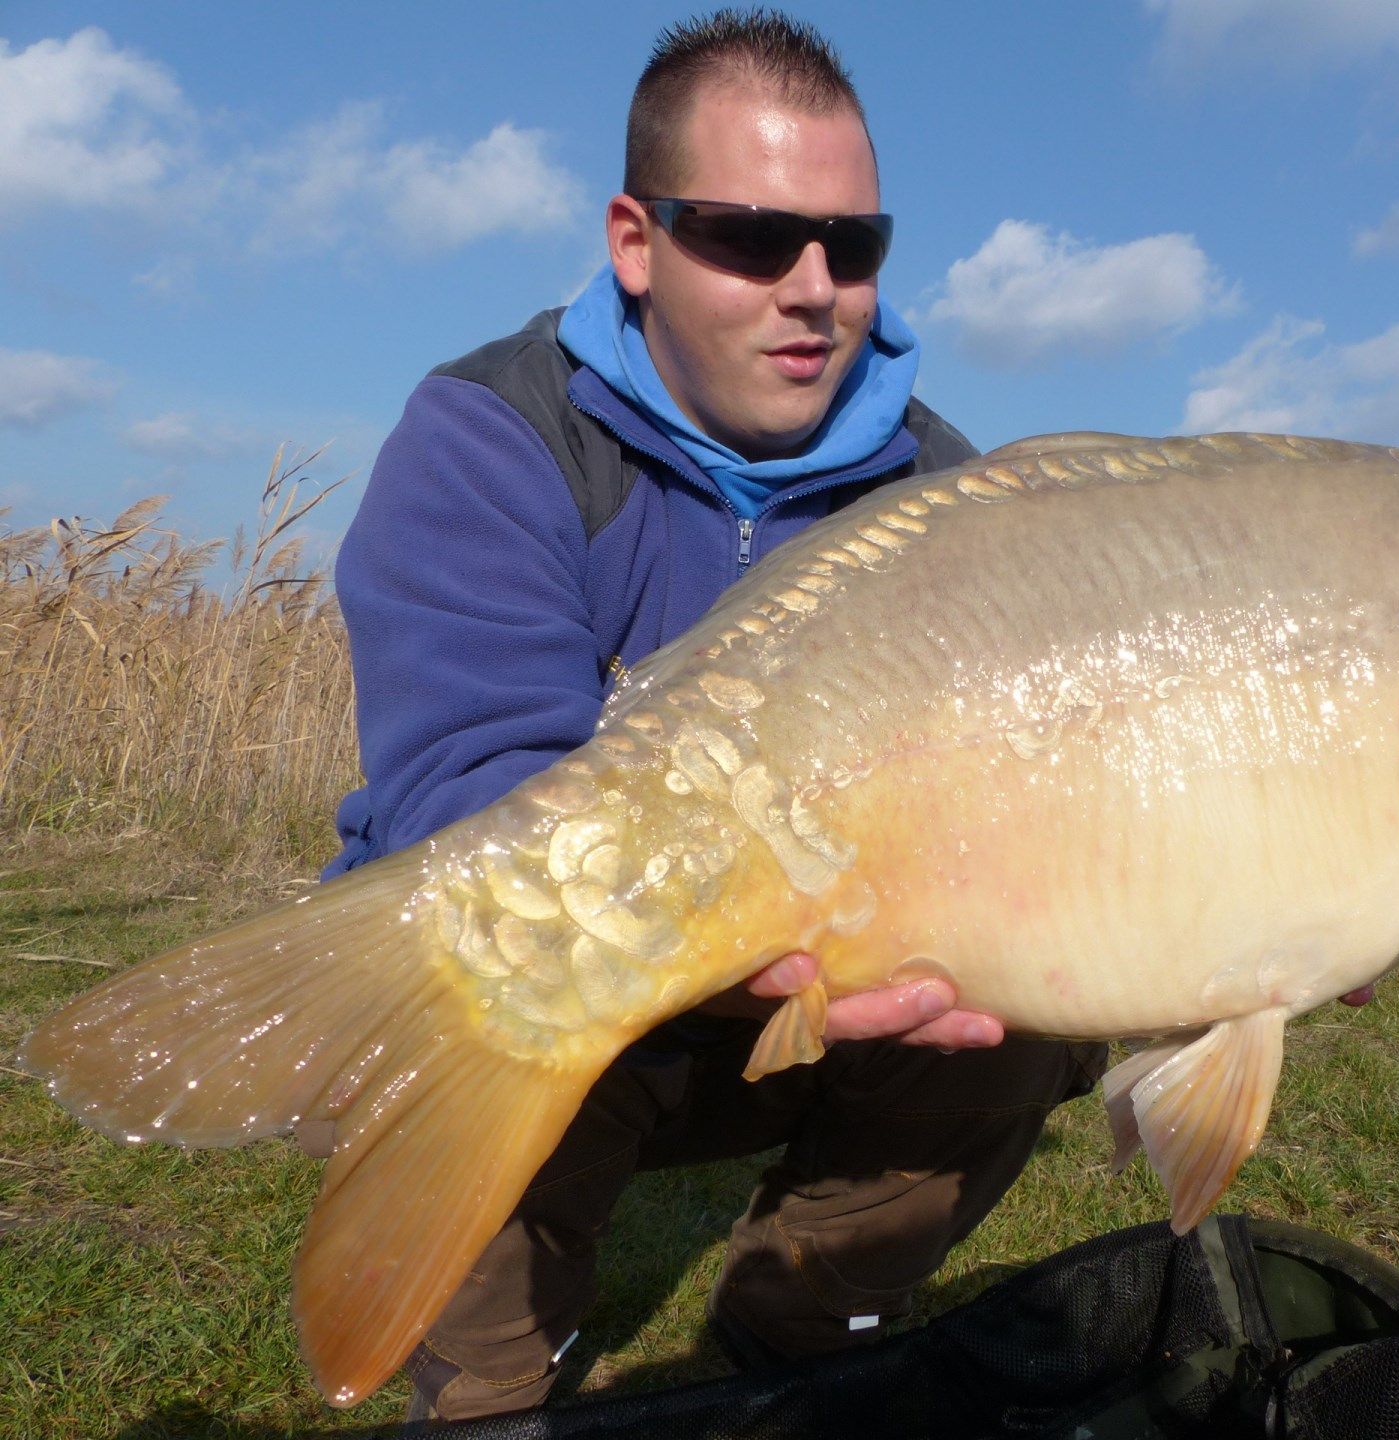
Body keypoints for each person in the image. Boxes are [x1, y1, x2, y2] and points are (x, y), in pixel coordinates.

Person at [320, 8, 1107, 1425]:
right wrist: (741, 922)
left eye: (853, 245)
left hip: (845, 992)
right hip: (602, 974)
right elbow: (467, 791)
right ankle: (499, 1369)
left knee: (1039, 1019)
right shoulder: (492, 436)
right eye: (750, 237)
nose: (817, 288)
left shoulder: (952, 498)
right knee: (472, 970)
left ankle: (804, 1317)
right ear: (636, 240)